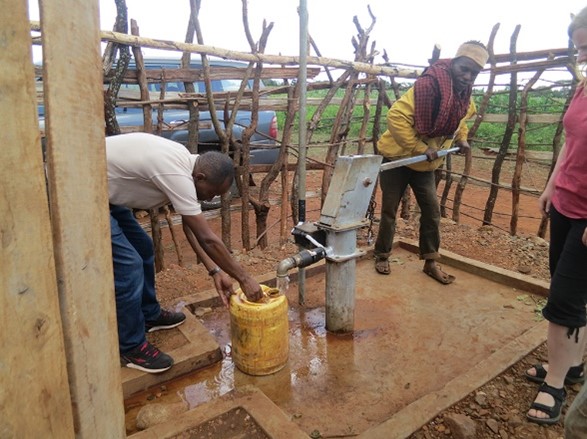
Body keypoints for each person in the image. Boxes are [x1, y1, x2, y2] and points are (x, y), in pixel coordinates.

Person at [107, 132, 263, 374]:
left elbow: (191, 227)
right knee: (129, 265)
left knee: (144, 247)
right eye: (210, 193)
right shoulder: (175, 172)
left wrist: (215, 271)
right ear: (200, 177)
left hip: (107, 190)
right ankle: (131, 347)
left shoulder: (186, 164)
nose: (209, 198)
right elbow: (207, 238)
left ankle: (149, 314)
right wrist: (245, 278)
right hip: (80, 187)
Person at [373, 41, 489, 284]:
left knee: (432, 212)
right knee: (389, 211)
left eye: (474, 73)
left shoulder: (464, 99)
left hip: (425, 165)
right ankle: (382, 254)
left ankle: (430, 261)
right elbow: (395, 117)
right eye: (464, 69)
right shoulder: (427, 88)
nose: (467, 77)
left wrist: (462, 139)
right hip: (397, 159)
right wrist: (420, 148)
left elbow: (460, 120)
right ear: (453, 63)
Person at [523, 6, 587, 427]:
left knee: (563, 302)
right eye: (580, 47)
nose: (583, 56)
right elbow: (570, 140)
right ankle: (574, 363)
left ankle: (557, 382)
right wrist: (550, 184)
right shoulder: (585, 86)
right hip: (567, 201)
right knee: (572, 292)